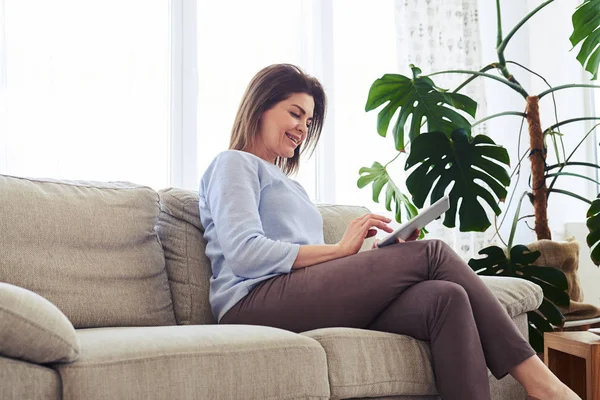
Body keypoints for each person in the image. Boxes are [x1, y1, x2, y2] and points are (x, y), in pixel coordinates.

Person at [198, 63, 580, 400]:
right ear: (260, 107)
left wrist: (378, 253)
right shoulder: (233, 164)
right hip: (251, 302)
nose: (302, 128)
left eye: (309, 121)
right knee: (433, 254)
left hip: (294, 296)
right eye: (294, 113)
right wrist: (340, 251)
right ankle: (543, 384)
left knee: (445, 298)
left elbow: (308, 269)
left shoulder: (291, 186)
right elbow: (245, 254)